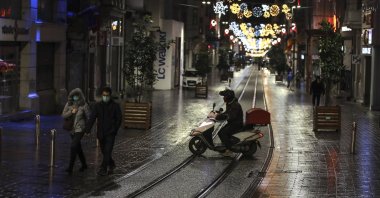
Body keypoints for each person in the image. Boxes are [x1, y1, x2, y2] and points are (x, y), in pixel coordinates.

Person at [85, 87, 122, 176]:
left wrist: (115, 129)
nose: (105, 97)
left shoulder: (115, 106)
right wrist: (87, 129)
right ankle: (111, 163)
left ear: (110, 96)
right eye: (104, 95)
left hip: (110, 133)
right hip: (101, 133)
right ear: (102, 95)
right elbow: (92, 118)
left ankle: (103, 168)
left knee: (108, 150)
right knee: (104, 151)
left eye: (107, 95)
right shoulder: (98, 106)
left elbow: (119, 119)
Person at [62, 88, 91, 175]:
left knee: (73, 146)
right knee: (78, 148)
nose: (75, 97)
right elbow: (63, 115)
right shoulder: (69, 104)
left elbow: (89, 117)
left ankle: (70, 167)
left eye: (77, 95)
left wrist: (87, 129)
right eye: (73, 96)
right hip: (71, 129)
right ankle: (84, 164)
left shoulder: (84, 105)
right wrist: (71, 111)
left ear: (80, 96)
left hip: (80, 129)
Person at [211, 89, 243, 157]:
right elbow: (227, 112)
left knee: (222, 133)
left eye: (224, 96)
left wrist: (222, 116)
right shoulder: (230, 103)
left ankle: (229, 149)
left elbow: (231, 116)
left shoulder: (235, 105)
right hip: (232, 123)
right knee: (220, 132)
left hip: (236, 124)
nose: (223, 98)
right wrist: (220, 114)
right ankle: (226, 146)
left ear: (228, 97)